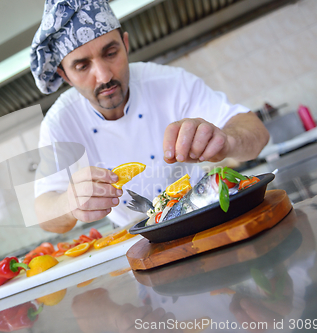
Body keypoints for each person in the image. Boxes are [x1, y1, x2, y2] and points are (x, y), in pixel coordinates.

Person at [30, 0, 269, 234]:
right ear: (65, 76)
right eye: (82, 66)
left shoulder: (171, 83)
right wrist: (68, 204)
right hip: (132, 239)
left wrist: (226, 141)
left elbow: (257, 133)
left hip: (202, 219)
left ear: (126, 44)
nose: (104, 76)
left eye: (111, 53)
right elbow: (44, 214)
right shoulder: (60, 122)